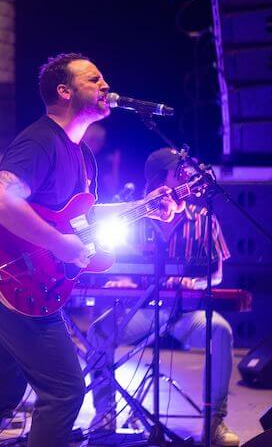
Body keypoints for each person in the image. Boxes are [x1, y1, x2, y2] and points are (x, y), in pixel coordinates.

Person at [0, 53, 178, 447]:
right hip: (11, 281)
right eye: (94, 79)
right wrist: (59, 244)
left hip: (29, 282)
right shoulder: (39, 141)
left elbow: (82, 219)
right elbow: (1, 201)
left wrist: (144, 207)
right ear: (64, 91)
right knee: (64, 390)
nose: (105, 85)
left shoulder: (83, 155)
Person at [87, 147, 239, 446]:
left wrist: (194, 282)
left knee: (220, 331)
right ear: (160, 178)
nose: (185, 175)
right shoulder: (133, 218)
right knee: (98, 332)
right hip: (142, 310)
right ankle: (105, 415)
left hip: (186, 312)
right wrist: (124, 280)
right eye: (177, 171)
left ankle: (215, 422)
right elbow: (116, 262)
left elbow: (217, 275)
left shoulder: (203, 218)